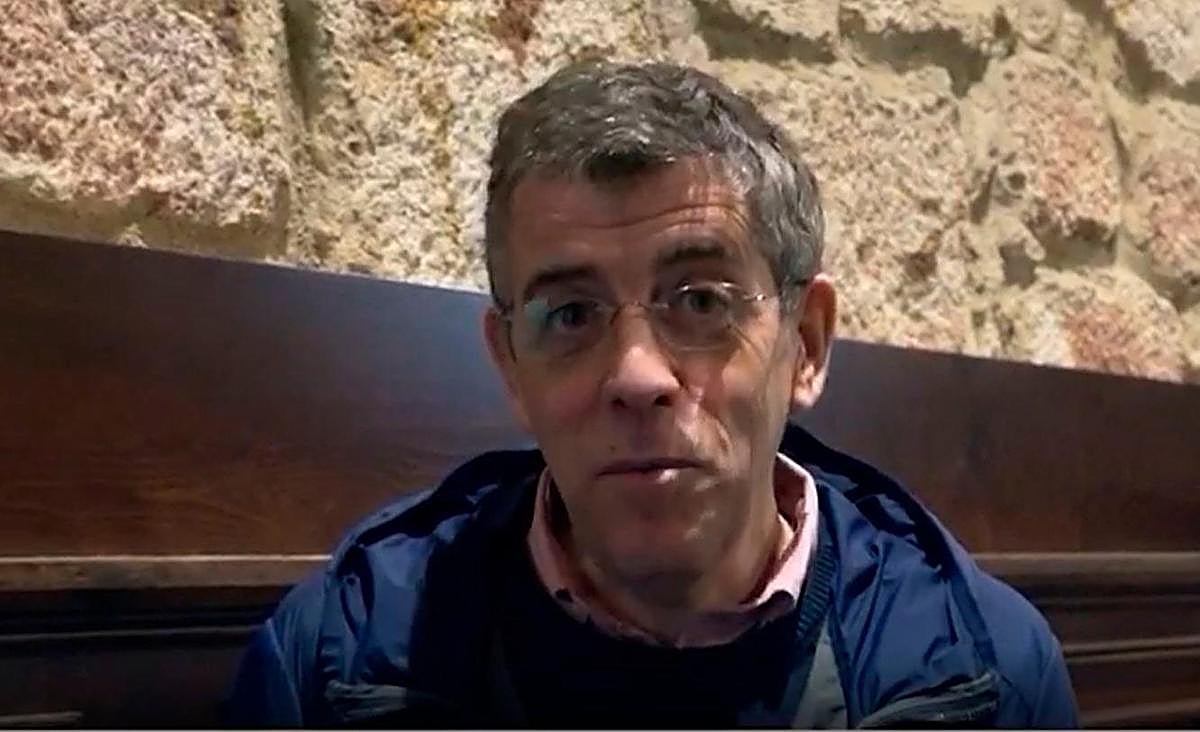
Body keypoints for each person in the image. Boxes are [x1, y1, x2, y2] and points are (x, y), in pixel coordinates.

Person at [226, 59, 1079, 728]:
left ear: (806, 345)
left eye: (701, 302)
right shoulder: (339, 657)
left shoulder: (984, 673)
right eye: (570, 314)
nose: (637, 375)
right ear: (511, 365)